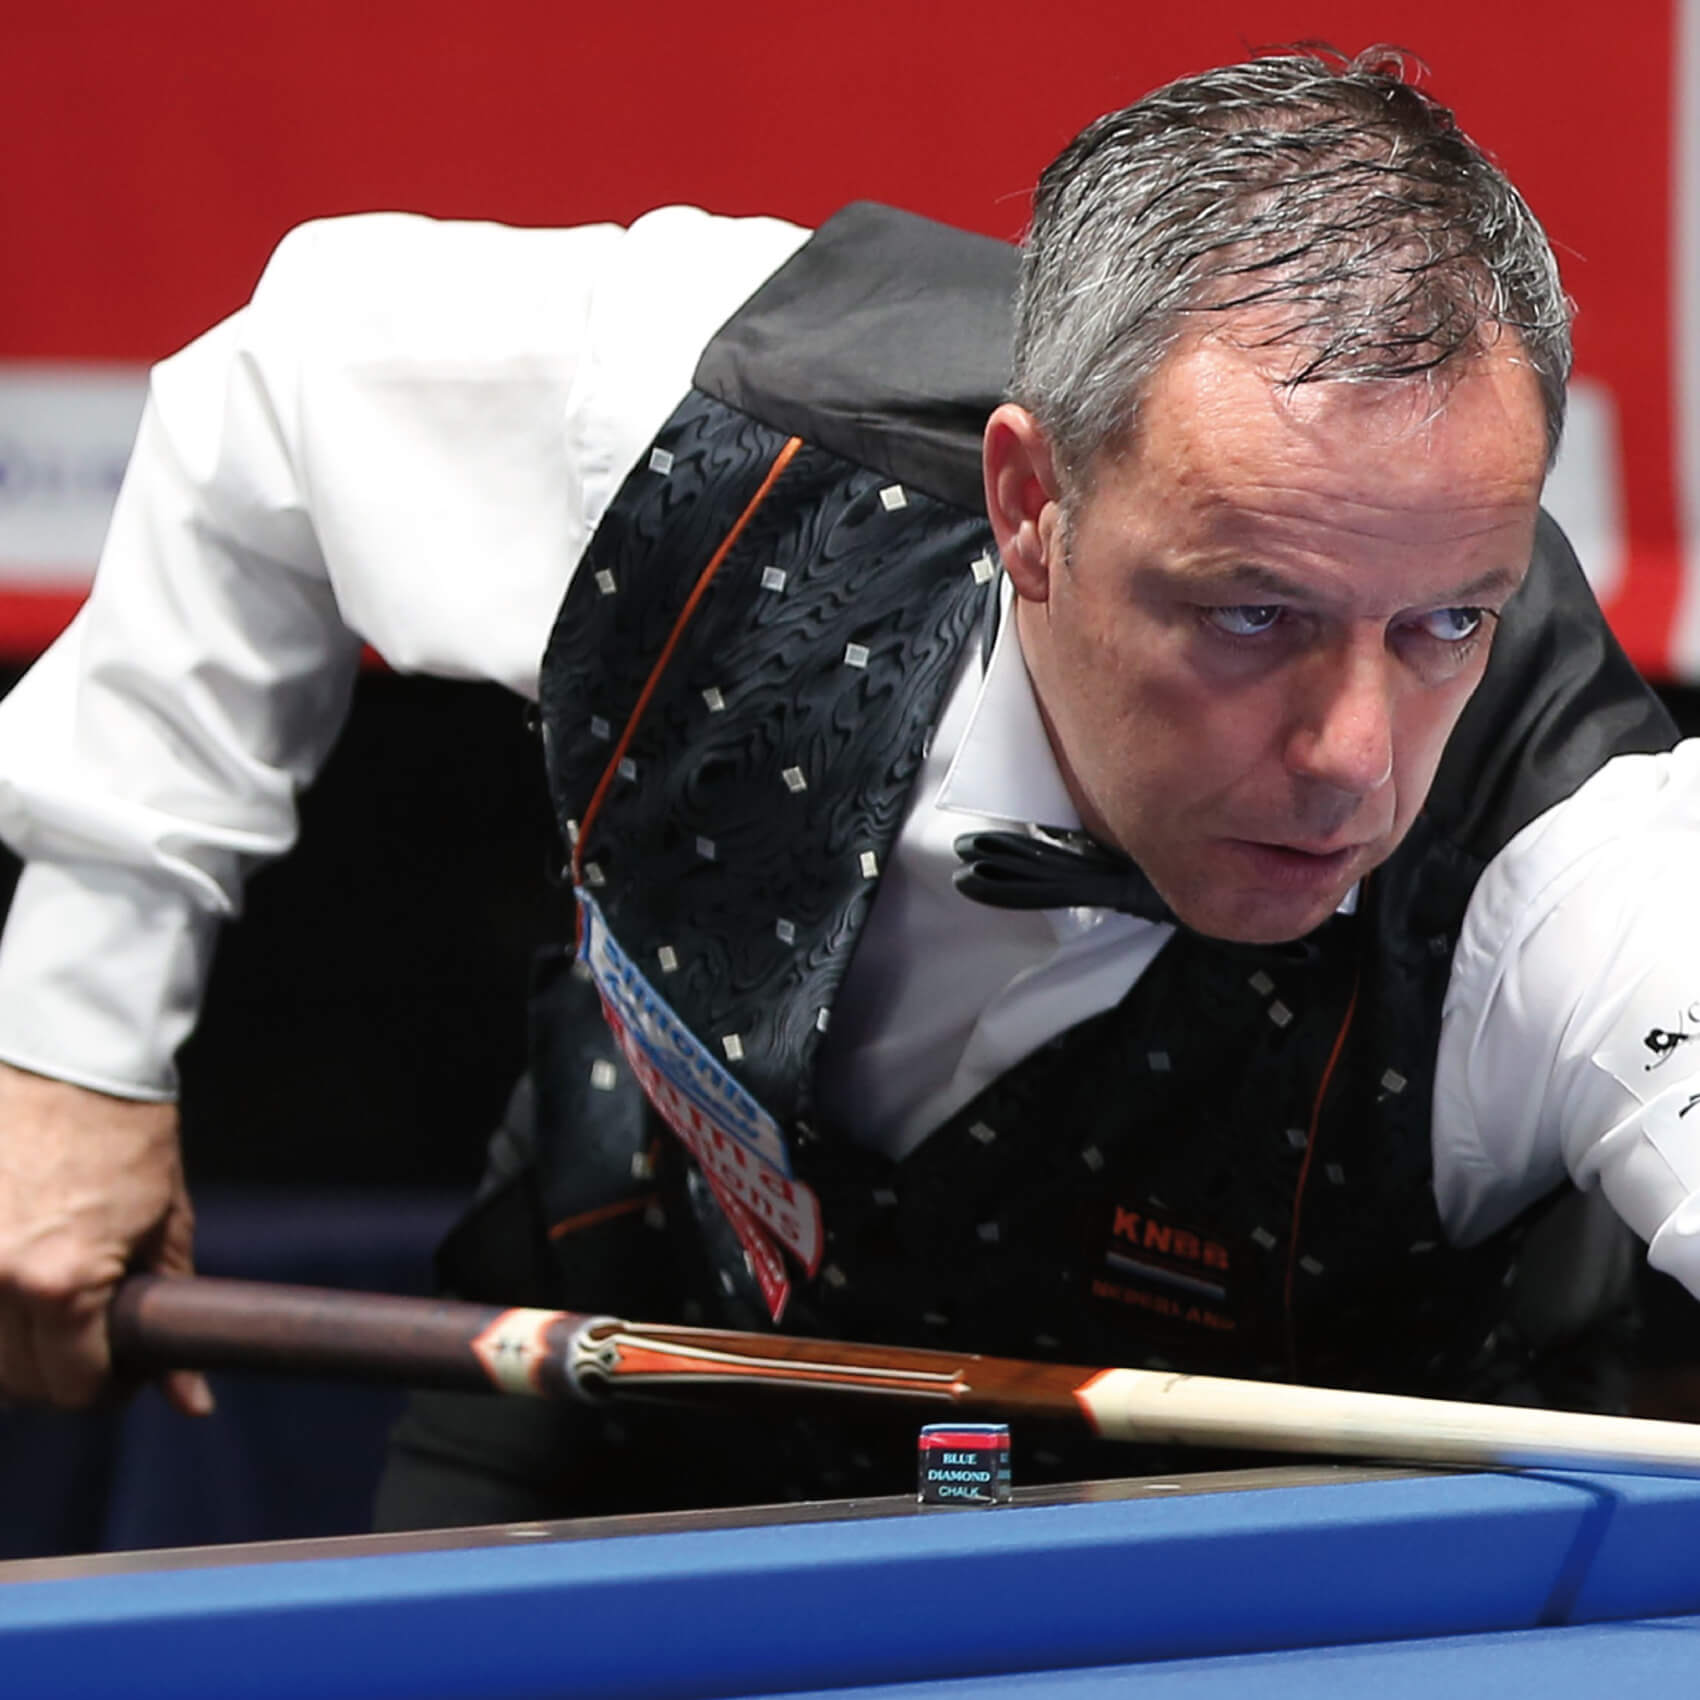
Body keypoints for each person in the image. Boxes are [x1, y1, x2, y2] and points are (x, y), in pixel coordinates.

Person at [0, 48, 1695, 1523]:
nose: (1355, 755)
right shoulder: (713, 417)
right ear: (1031, 504)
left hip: (1270, 1566)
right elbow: (277, 391)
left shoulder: (1576, 859)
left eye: (1446, 622)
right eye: (1252, 614)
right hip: (625, 1347)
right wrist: (74, 1043)